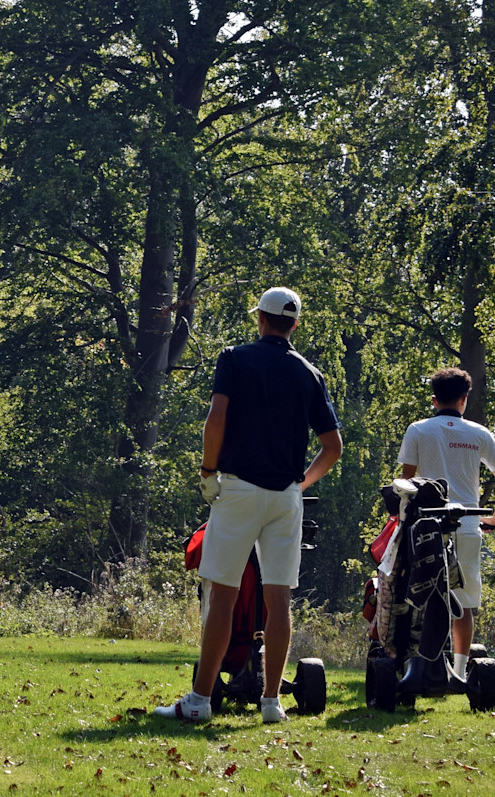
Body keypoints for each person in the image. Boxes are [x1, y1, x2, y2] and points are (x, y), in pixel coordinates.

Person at [156, 286, 342, 724]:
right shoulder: (310, 374)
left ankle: (200, 702)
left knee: (223, 593)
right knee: (279, 599)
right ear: (294, 324)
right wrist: (300, 483)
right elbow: (332, 447)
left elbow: (216, 419)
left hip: (238, 489)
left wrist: (207, 472)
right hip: (284, 498)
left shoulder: (234, 358)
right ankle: (272, 703)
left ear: (261, 318)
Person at [397, 367, 495, 679]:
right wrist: (494, 519)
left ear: (434, 400)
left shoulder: (418, 430)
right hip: (466, 525)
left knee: (417, 596)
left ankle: (414, 665)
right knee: (463, 603)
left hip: (424, 529)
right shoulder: (479, 434)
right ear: (464, 399)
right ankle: (460, 673)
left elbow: (406, 483)